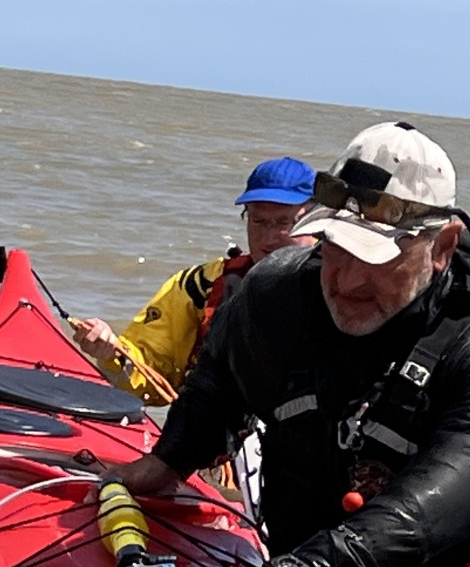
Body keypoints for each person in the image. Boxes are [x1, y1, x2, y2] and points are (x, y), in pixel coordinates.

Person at [106, 121, 470, 567]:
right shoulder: (275, 292)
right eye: (337, 248)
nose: (348, 281)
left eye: (378, 258)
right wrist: (169, 460)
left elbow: (422, 518)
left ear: (441, 247)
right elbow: (222, 376)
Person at [71, 156, 316, 404]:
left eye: (284, 222)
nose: (269, 237)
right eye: (258, 221)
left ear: (317, 220)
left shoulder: (343, 286)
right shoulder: (200, 286)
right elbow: (152, 376)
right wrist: (113, 353)